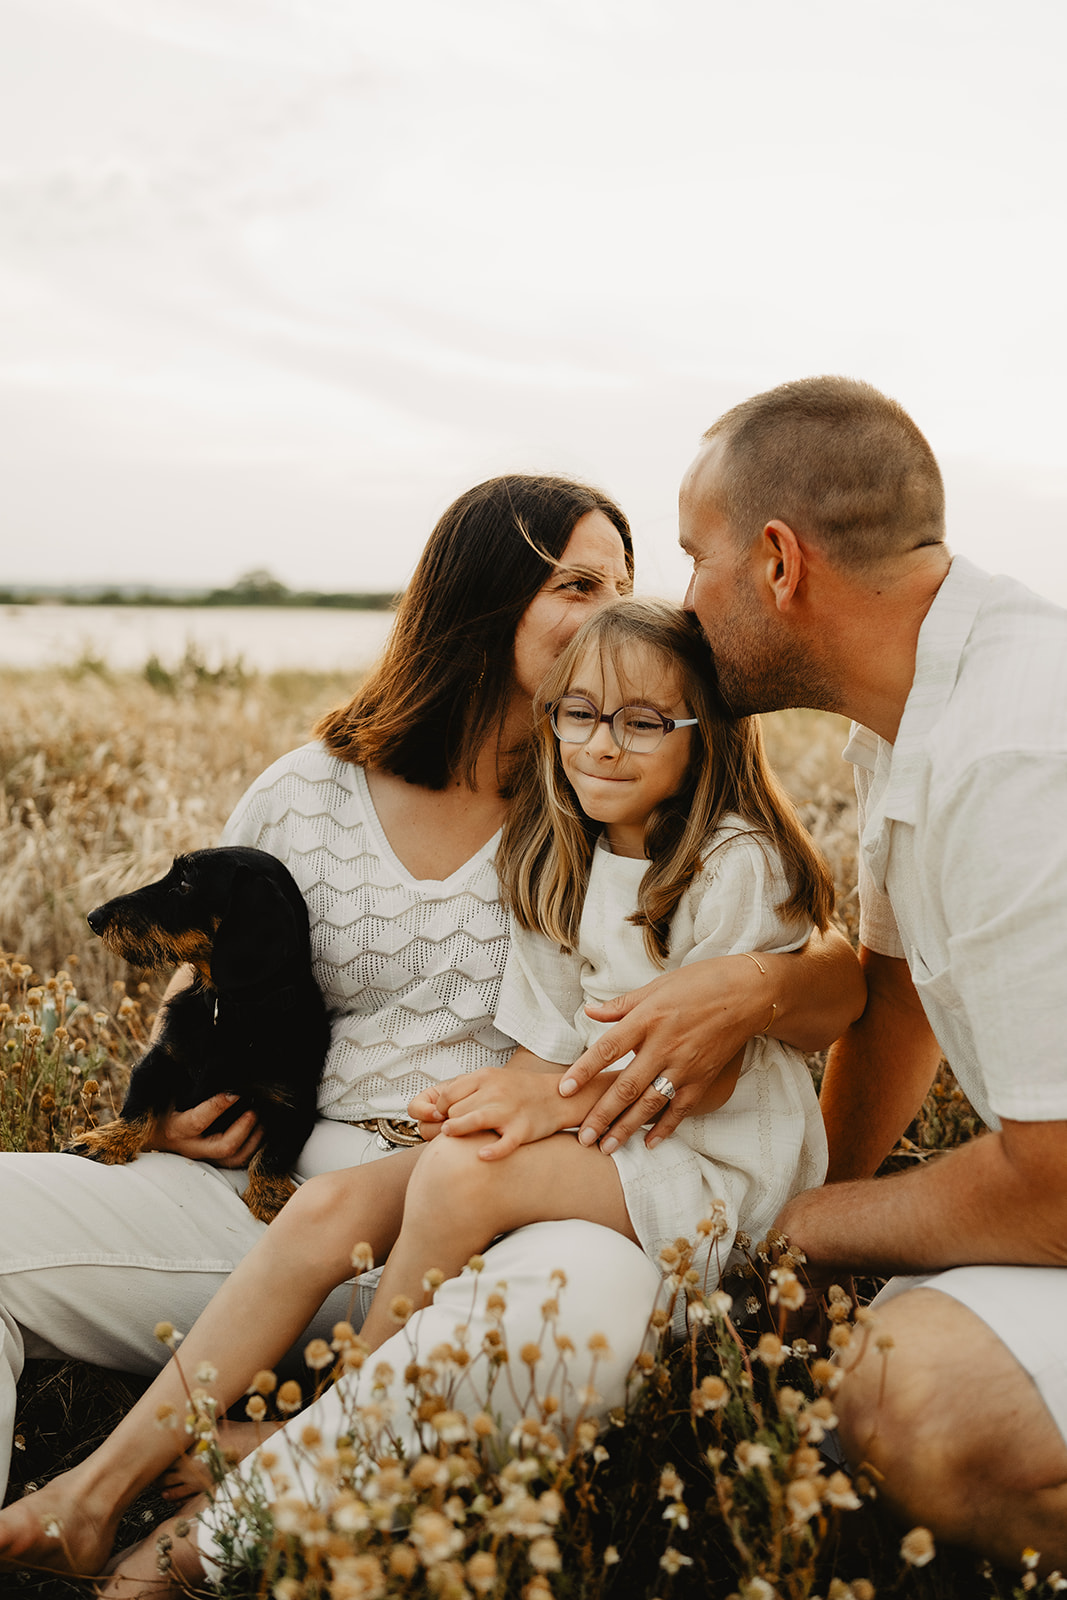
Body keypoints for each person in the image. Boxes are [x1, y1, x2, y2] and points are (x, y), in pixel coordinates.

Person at [0, 474, 863, 1584]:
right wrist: (164, 1101)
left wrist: (749, 989)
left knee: (579, 1313)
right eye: (577, 583)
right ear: (483, 598)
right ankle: (85, 1497)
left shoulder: (614, 809)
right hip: (275, 1212)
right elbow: (214, 979)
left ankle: (209, 1544)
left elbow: (829, 971)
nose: (615, 609)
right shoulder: (309, 791)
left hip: (524, 1221)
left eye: (625, 584)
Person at [588, 374, 1062, 1571]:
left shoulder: (1011, 756)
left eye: (695, 556)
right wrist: (807, 1256)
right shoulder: (909, 710)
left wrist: (801, 1223)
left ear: (777, 564)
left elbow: (1056, 1194)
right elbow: (897, 992)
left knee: (921, 1404)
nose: (677, 601)